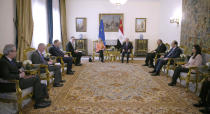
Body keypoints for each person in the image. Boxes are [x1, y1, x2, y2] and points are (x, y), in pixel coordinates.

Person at [0, 44, 51, 109]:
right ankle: (39, 103)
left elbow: (18, 65)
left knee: (36, 77)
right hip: (12, 84)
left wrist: (25, 65)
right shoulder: (3, 62)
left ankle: (39, 98)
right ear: (9, 52)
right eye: (15, 51)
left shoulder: (11, 59)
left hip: (18, 80)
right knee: (36, 79)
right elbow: (6, 76)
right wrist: (19, 75)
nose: (16, 53)